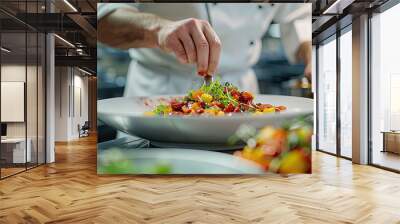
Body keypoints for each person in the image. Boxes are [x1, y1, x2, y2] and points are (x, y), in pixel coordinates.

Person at [98, 3, 312, 96]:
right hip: (160, 88)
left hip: (240, 89)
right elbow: (100, 19)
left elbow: (299, 15)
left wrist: (317, 53)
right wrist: (158, 29)